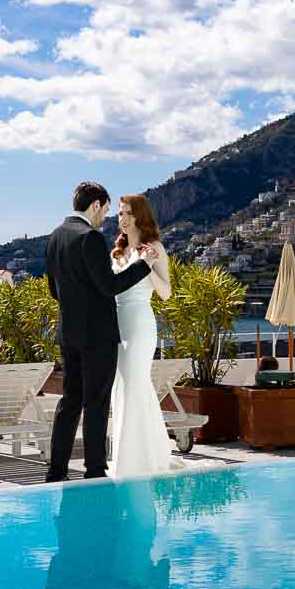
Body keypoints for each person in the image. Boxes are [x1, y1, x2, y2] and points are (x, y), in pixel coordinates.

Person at [45, 182, 157, 482]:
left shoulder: (55, 236)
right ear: (95, 205)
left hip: (68, 334)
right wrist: (144, 265)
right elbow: (110, 287)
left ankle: (56, 470)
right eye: (106, 210)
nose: (105, 218)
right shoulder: (90, 237)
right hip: (97, 336)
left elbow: (53, 291)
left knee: (70, 401)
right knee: (96, 403)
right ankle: (94, 470)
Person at [108, 194, 178, 479]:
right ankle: (134, 454)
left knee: (136, 383)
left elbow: (166, 293)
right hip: (117, 325)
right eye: (119, 214)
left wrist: (147, 266)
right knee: (123, 386)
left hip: (140, 324)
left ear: (140, 216)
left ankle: (135, 459)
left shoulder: (155, 248)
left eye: (127, 213)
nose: (122, 219)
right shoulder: (118, 251)